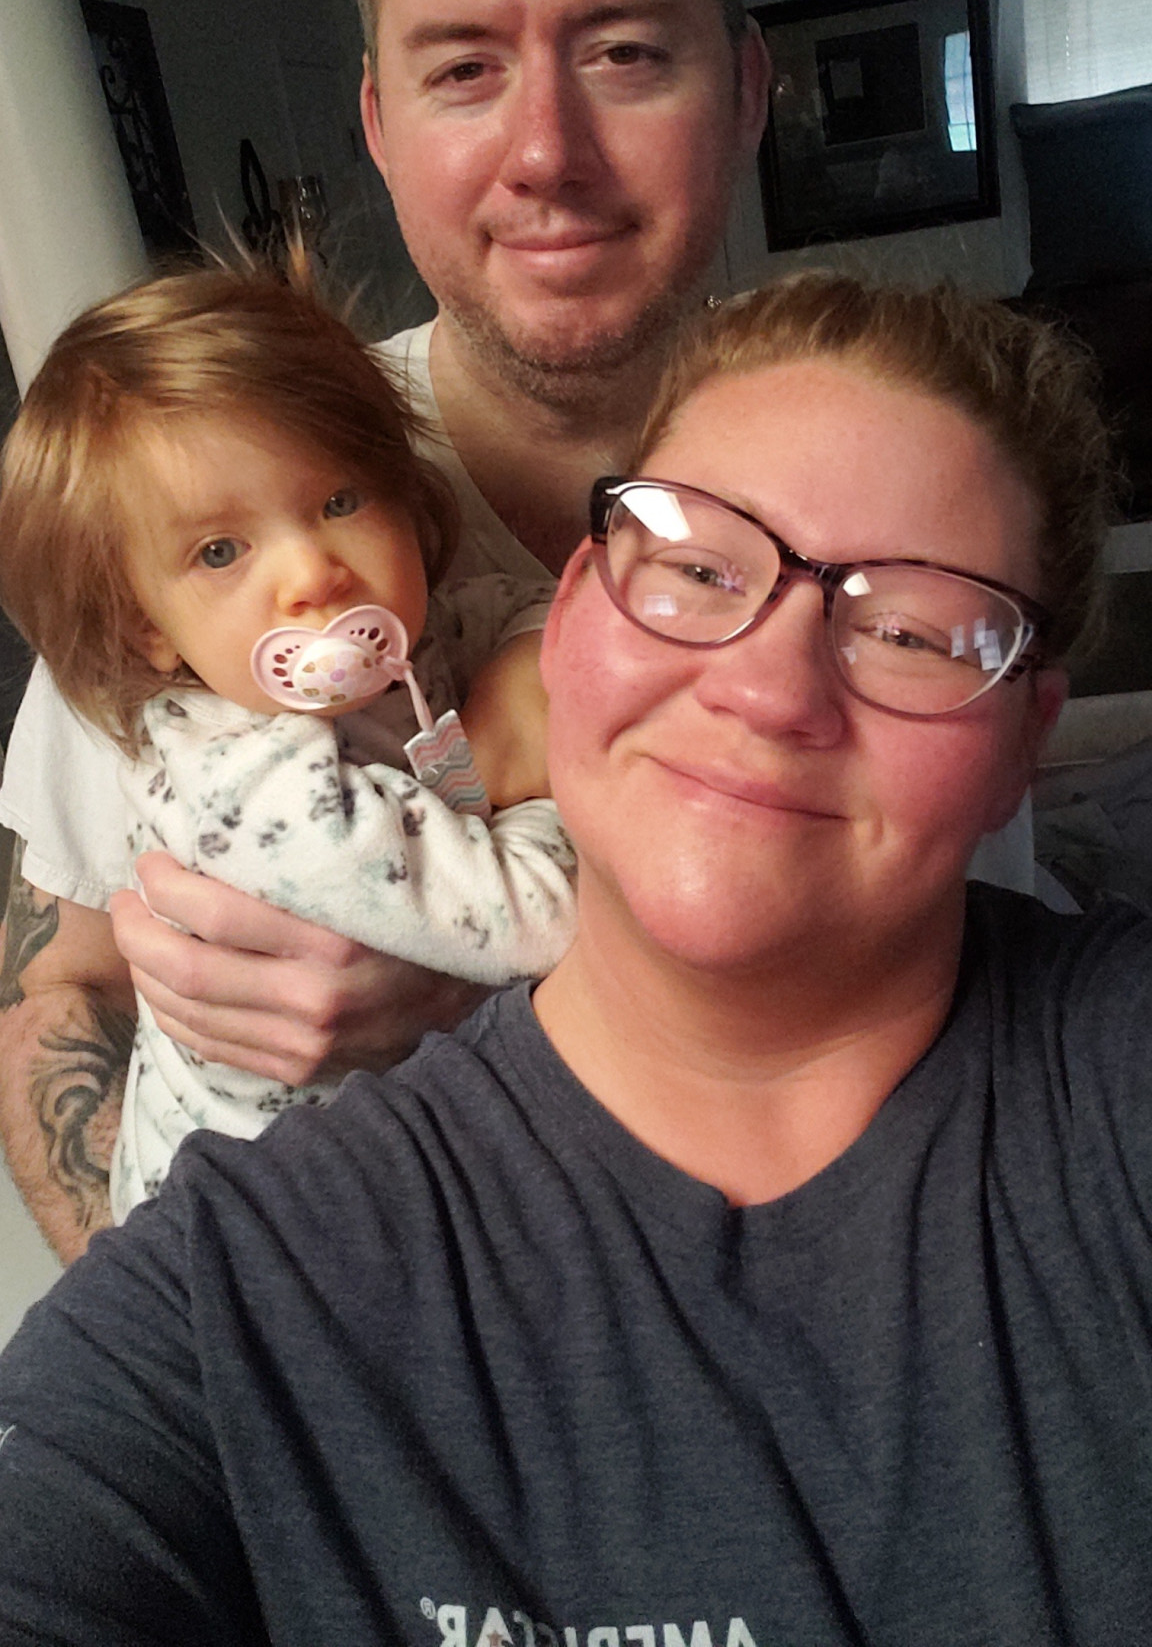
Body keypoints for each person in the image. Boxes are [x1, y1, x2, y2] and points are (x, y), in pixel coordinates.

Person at [0, 273, 1145, 1646]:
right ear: (581, 606)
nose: (767, 689)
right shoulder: (241, 1273)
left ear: (1027, 740)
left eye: (909, 630)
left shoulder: (1113, 1072)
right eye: (699, 570)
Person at [0, 0, 771, 1259]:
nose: (545, 152)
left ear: (747, 90)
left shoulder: (870, 492)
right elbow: (58, 994)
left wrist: (479, 991)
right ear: (377, 124)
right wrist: (196, 1344)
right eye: (464, 69)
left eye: (624, 52)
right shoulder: (190, 519)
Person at [0, 261, 575, 1216]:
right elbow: (538, 921)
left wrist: (526, 667)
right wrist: (544, 786)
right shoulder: (247, 788)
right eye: (220, 552)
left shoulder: (410, 641)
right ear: (147, 627)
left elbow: (539, 604)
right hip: (253, 1211)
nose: (313, 572)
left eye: (341, 501)